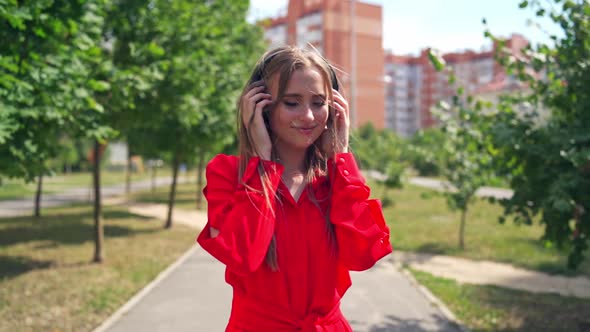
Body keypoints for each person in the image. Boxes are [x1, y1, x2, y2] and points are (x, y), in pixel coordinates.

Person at [197, 45, 392, 331]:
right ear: (261, 106)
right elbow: (242, 256)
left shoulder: (337, 180)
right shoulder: (227, 174)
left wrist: (342, 155)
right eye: (292, 103)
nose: (309, 117)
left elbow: (362, 256)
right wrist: (262, 163)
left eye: (318, 103)